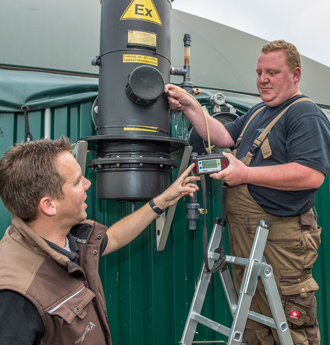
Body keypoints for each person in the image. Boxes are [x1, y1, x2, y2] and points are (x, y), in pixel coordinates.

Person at [165, 40, 330, 345]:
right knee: (255, 326)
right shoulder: (258, 112)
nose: (263, 79)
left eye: (272, 72)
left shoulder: (304, 113)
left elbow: (311, 174)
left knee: (291, 330)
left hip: (281, 240)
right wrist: (190, 107)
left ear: (295, 74)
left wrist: (246, 174)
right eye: (258, 72)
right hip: (248, 238)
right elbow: (225, 135)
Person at [0, 136, 199, 345]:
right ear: (49, 205)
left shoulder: (69, 236)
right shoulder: (15, 297)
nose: (88, 184)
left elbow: (112, 237)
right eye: (77, 181)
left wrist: (162, 201)